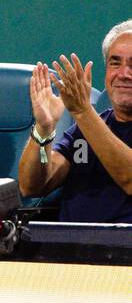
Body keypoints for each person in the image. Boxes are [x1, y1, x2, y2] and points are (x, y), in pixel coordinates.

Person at [18, 20, 132, 224]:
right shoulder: (85, 130)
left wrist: (82, 111)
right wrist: (43, 130)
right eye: (115, 63)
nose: (123, 74)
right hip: (66, 249)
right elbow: (33, 185)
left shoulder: (87, 121)